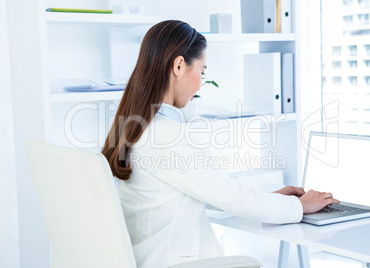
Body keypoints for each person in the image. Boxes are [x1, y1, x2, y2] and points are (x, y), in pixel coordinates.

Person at [102, 20, 339, 268]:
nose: (200, 84)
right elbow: (233, 197)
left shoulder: (135, 127)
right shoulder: (167, 135)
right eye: (202, 72)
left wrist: (274, 199)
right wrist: (299, 206)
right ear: (179, 65)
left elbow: (215, 191)